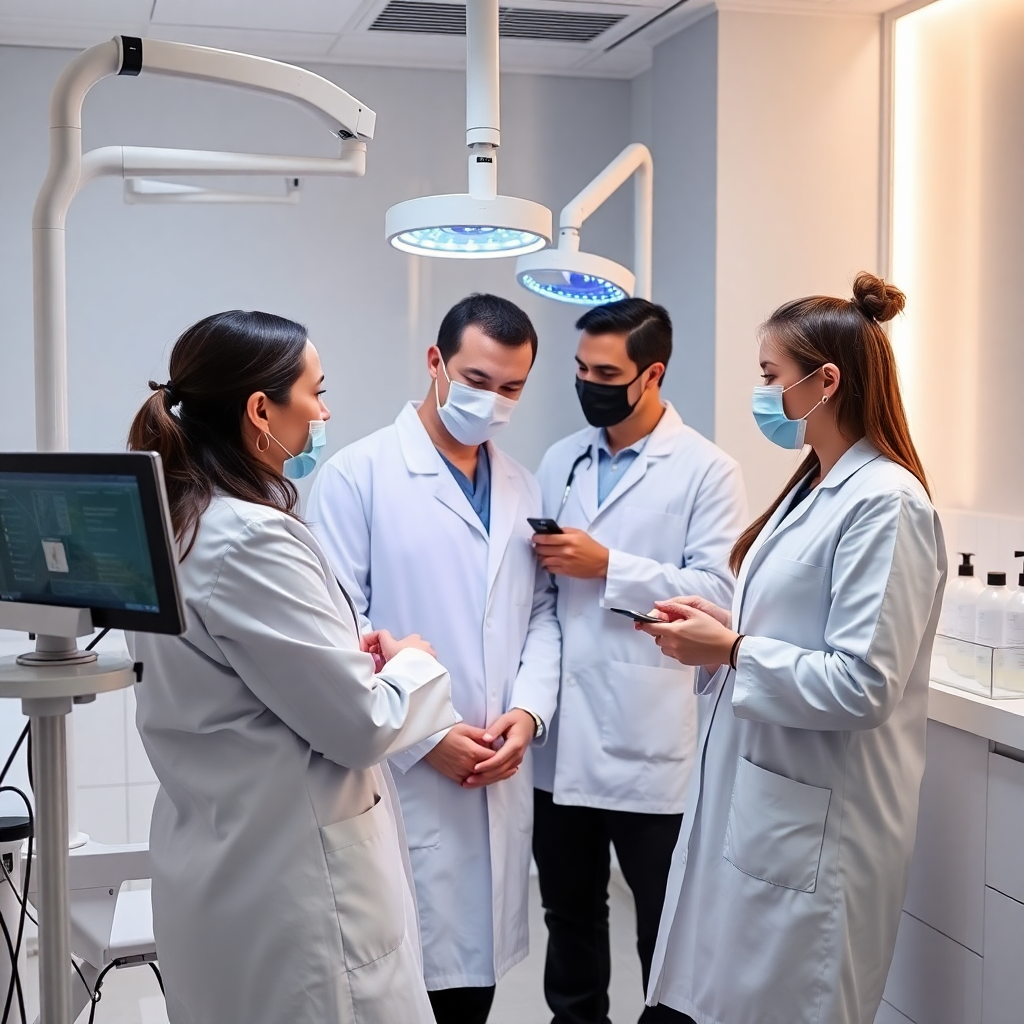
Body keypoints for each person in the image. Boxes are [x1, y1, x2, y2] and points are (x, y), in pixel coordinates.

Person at [127, 310, 459, 1024]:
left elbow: (246, 673)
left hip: (222, 864)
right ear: (259, 409)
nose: (325, 410)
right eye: (316, 390)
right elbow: (363, 726)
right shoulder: (250, 538)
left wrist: (345, 647)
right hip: (297, 893)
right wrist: (414, 666)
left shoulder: (179, 519)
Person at [637, 273, 946, 1024]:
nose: (762, 392)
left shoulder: (888, 503)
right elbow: (794, 630)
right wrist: (719, 633)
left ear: (825, 381)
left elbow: (865, 684)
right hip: (762, 812)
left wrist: (737, 649)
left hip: (814, 836)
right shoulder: (815, 484)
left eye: (771, 376)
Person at [307, 293, 561, 1024]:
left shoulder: (520, 485)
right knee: (395, 983)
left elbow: (541, 613)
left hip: (497, 764)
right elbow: (337, 630)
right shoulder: (359, 477)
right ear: (435, 363)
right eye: (477, 380)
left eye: (511, 388)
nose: (492, 400)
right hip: (400, 772)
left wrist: (529, 714)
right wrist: (426, 736)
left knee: (468, 991)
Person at [529, 298, 747, 1024]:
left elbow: (718, 592)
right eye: (581, 368)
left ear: (651, 374)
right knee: (569, 918)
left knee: (665, 926)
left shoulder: (706, 470)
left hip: (650, 736)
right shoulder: (562, 458)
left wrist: (609, 565)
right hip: (561, 739)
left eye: (607, 372)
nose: (589, 382)